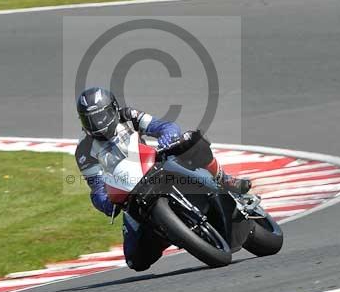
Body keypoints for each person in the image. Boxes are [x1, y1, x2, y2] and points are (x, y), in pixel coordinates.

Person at [74, 86, 252, 271]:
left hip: (155, 165)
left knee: (191, 140)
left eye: (101, 116)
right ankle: (171, 232)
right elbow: (96, 187)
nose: (98, 124)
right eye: (90, 121)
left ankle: (224, 179)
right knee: (136, 261)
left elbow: (164, 126)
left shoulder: (128, 115)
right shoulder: (83, 151)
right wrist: (106, 202)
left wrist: (167, 137)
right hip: (130, 192)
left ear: (113, 108)